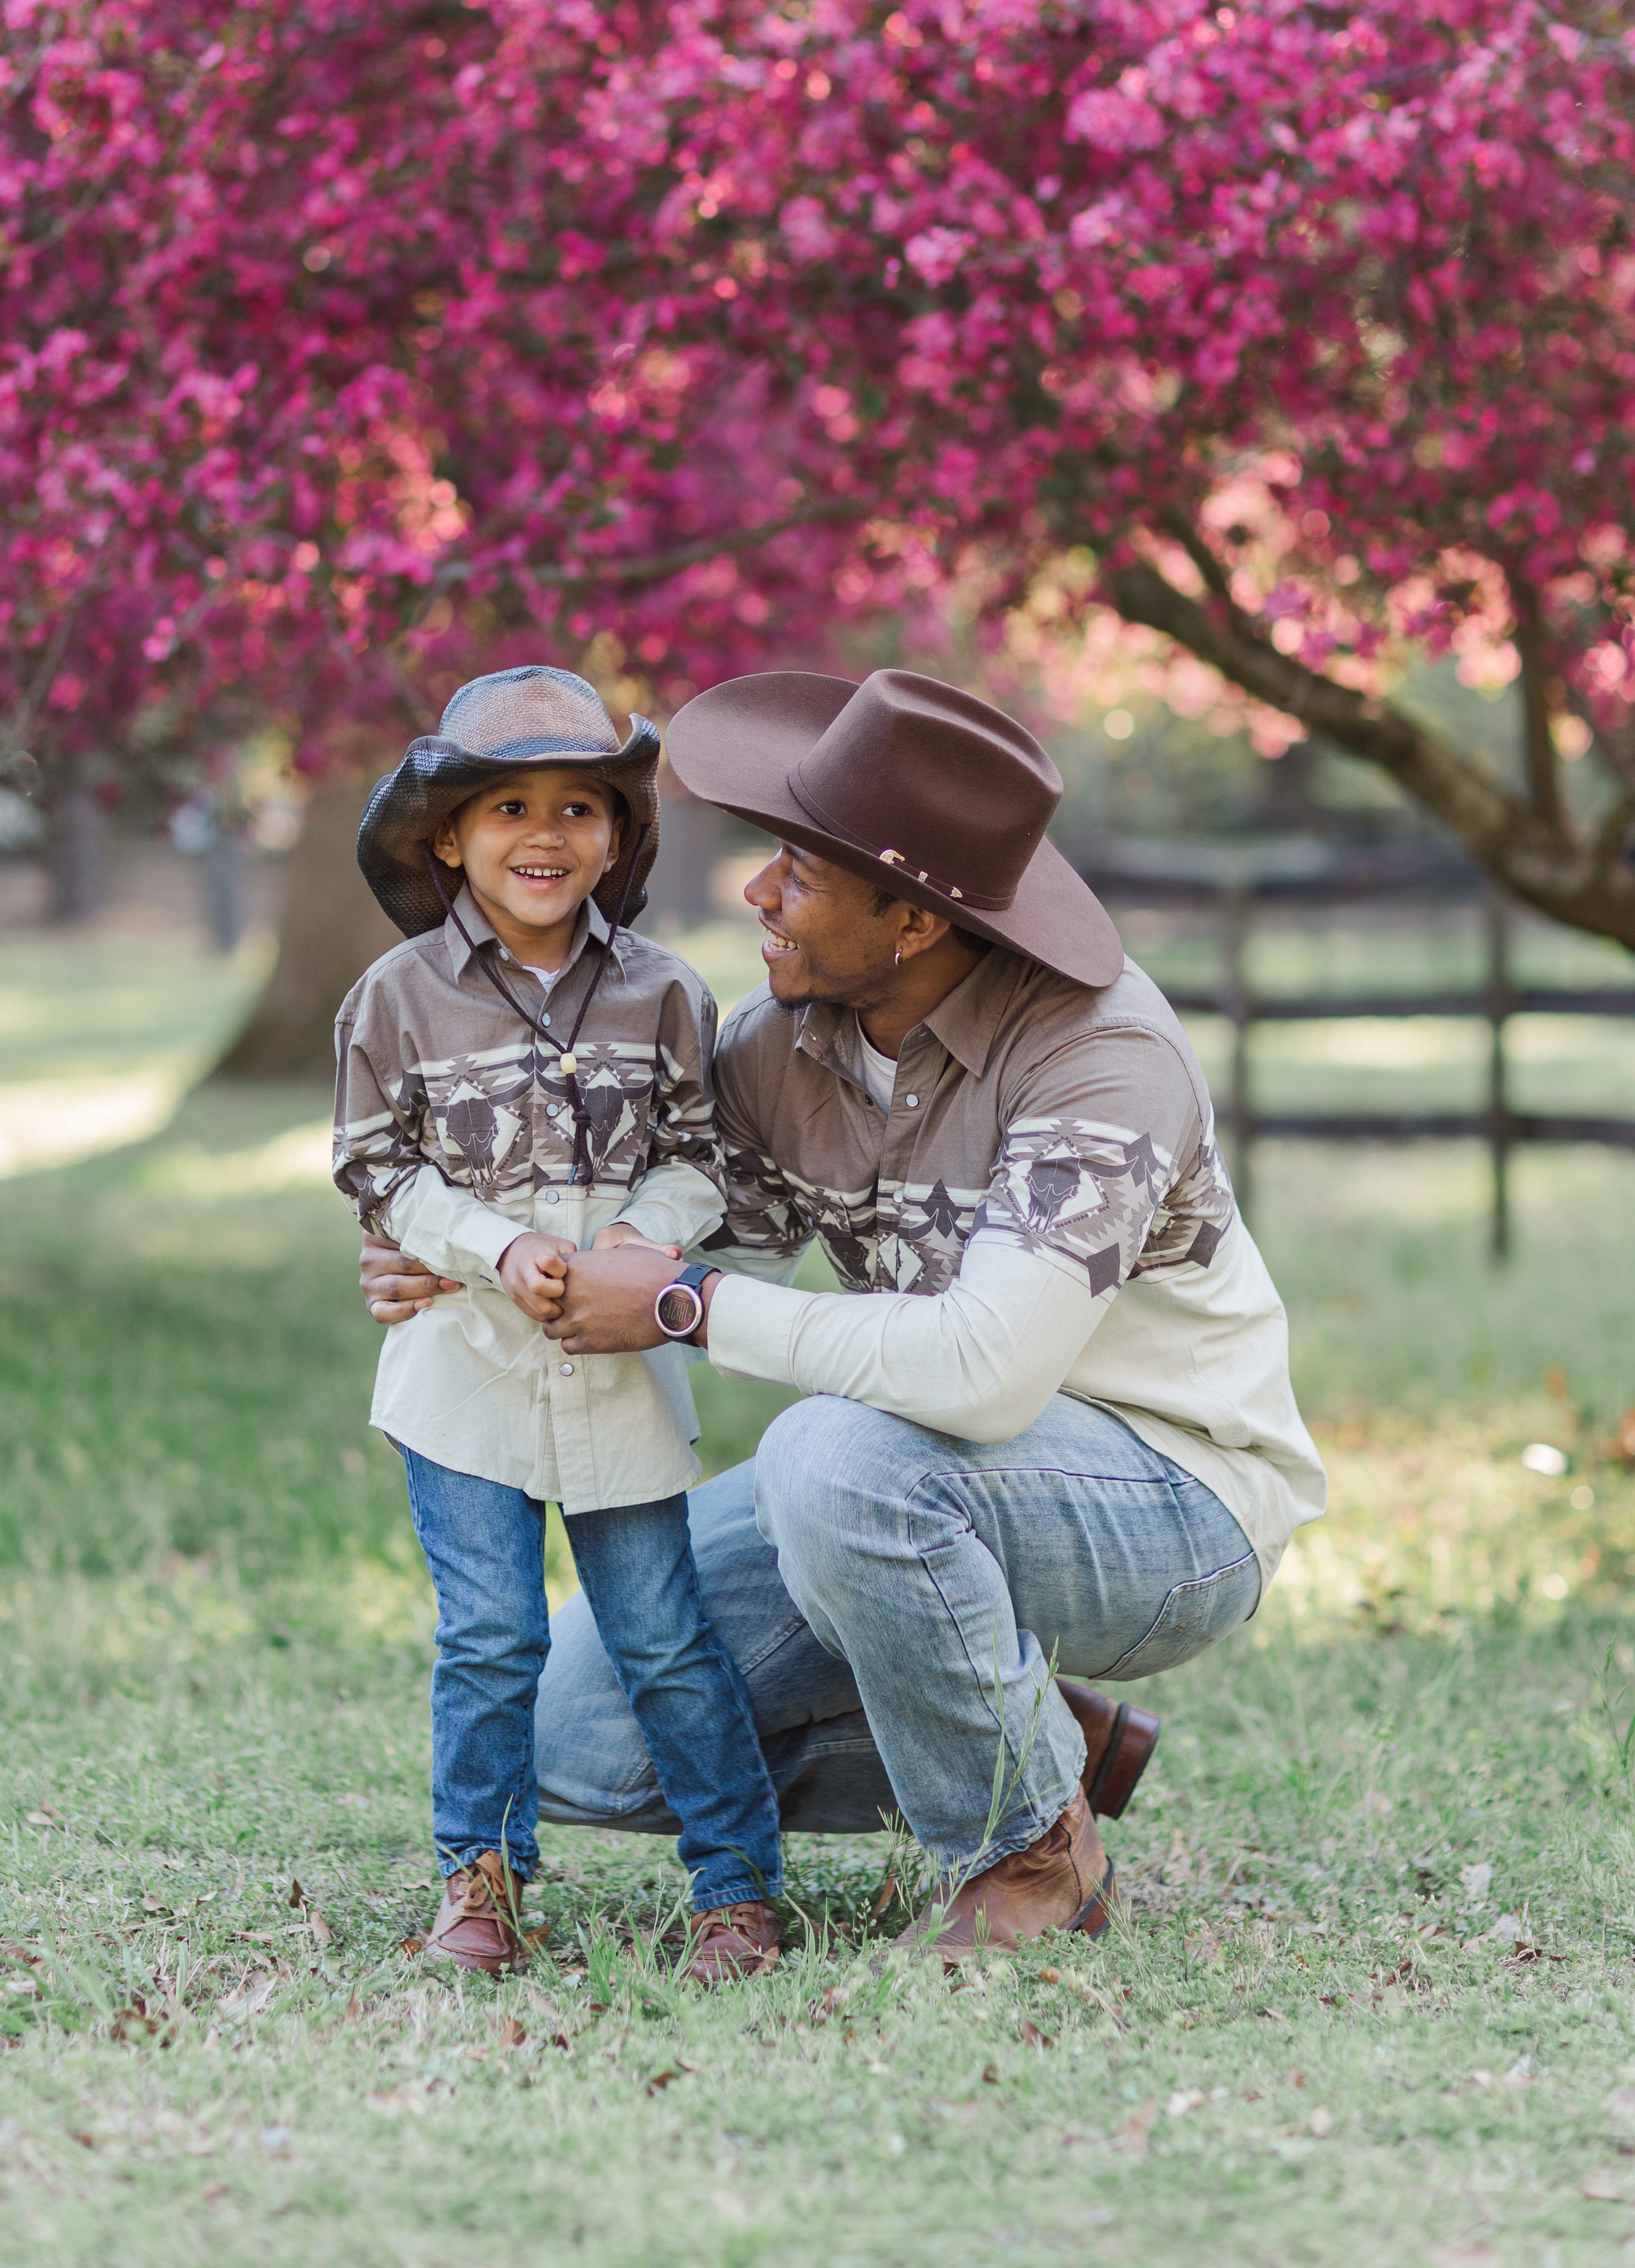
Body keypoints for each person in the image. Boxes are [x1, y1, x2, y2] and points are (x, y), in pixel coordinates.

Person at [361, 668, 1327, 1959]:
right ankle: (1028, 1728)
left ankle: (1029, 1847)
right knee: (563, 1732)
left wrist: (688, 1306)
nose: (757, 893)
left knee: (835, 1453)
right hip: (915, 1476)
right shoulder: (782, 1045)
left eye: (800, 877)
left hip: (1167, 1498)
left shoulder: (1103, 1061)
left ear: (916, 921)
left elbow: (983, 1378)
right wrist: (457, 1248)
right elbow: (662, 1228)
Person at [333, 665, 783, 1981]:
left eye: (580, 807)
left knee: (665, 1638)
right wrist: (496, 1244)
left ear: (620, 834)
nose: (546, 835)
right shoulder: (397, 998)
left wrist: (641, 1236)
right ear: (447, 838)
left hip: (617, 1379)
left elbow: (708, 1155)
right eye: (508, 808)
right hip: (460, 1371)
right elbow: (376, 1170)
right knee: (490, 1637)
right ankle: (482, 1878)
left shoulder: (663, 994)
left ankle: (736, 1887)